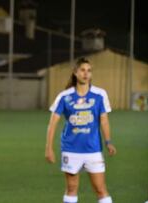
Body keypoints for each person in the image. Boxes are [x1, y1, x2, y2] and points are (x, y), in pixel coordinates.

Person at [45, 57, 117, 203]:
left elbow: (104, 121)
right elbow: (52, 124)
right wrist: (49, 148)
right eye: (83, 70)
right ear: (75, 72)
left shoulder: (99, 94)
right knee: (71, 188)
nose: (86, 73)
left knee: (101, 189)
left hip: (93, 149)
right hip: (71, 149)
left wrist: (108, 141)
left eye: (89, 71)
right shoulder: (65, 96)